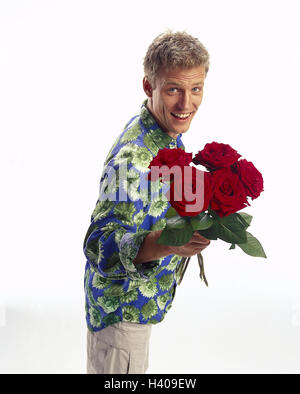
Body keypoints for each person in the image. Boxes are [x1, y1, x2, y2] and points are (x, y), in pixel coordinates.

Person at [83, 30, 211, 374]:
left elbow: (153, 205)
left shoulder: (166, 135)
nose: (186, 104)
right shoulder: (133, 159)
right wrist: (167, 243)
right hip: (121, 320)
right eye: (173, 90)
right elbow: (98, 247)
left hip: (137, 313)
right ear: (148, 86)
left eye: (195, 89)